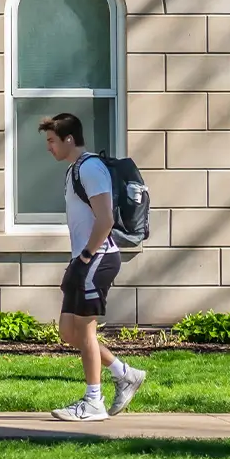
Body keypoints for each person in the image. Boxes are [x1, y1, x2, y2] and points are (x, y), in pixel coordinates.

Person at [39, 113, 147, 422]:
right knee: (68, 331)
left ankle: (93, 402)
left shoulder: (90, 168)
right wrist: (79, 258)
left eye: (52, 141)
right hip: (84, 258)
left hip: (97, 258)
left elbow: (106, 219)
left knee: (85, 330)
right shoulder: (74, 170)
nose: (48, 147)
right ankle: (124, 374)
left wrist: (86, 256)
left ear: (69, 139)